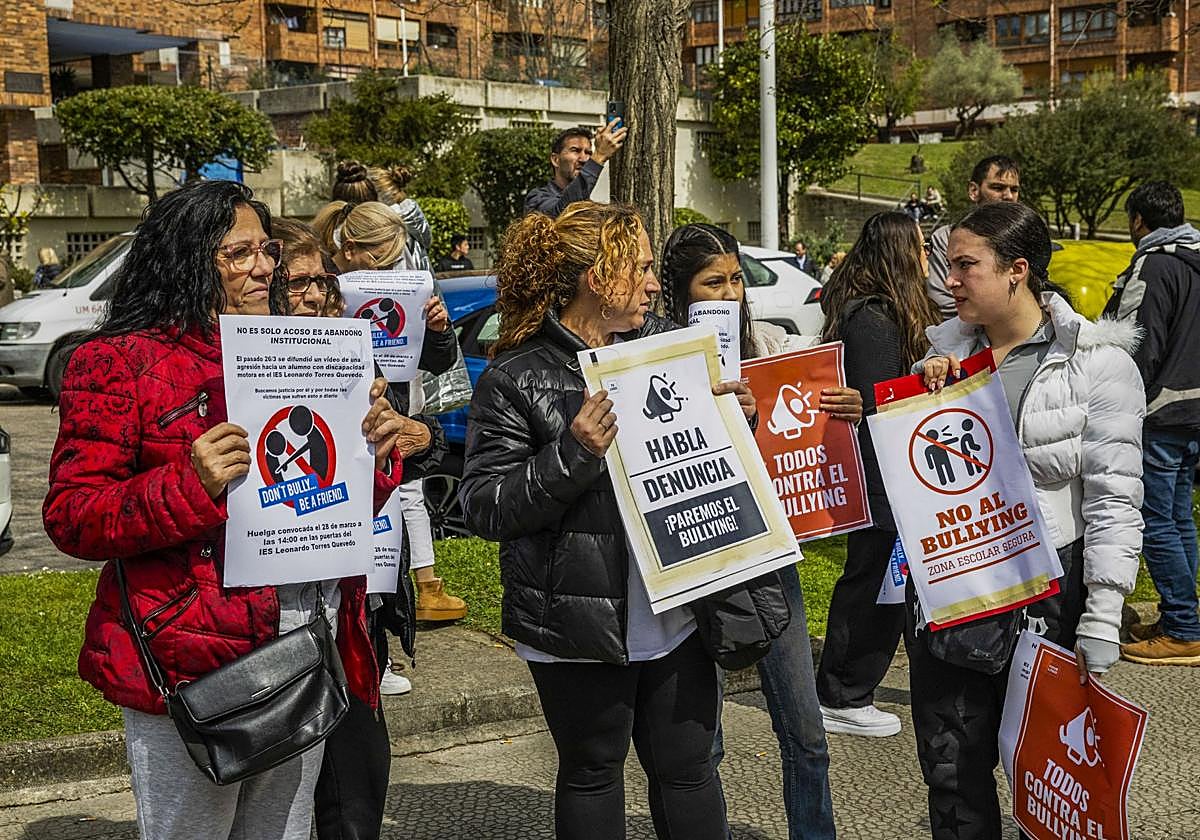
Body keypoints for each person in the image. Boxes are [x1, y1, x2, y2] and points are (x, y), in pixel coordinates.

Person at [42, 180, 410, 840]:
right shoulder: (116, 362)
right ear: (187, 255)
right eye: (238, 253)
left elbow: (323, 501)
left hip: (303, 634)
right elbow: (73, 514)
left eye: (265, 249)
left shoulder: (292, 347)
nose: (264, 266)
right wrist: (188, 483)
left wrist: (372, 455)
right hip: (192, 657)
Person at [461, 202, 765, 840]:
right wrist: (573, 454)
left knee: (689, 770)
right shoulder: (516, 376)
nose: (657, 284)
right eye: (644, 269)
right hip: (576, 622)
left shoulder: (667, 353)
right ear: (600, 278)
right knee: (592, 771)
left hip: (677, 611)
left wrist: (735, 421)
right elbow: (485, 505)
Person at [914, 200, 1144, 840]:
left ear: (1017, 271)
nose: (949, 280)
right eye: (947, 265)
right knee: (952, 770)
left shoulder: (1094, 364)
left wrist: (1103, 612)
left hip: (1049, 596)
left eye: (965, 266)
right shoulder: (942, 358)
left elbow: (1115, 495)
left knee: (1046, 780)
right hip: (954, 591)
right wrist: (924, 387)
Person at [661, 222, 863, 840]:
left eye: (735, 282)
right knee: (703, 743)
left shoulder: (773, 344)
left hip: (770, 558)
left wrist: (851, 409)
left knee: (805, 730)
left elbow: (808, 420)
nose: (728, 295)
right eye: (711, 283)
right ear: (680, 292)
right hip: (690, 557)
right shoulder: (655, 357)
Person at [271, 217, 447, 840]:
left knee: (358, 782)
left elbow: (385, 473)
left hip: (349, 612)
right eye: (296, 285)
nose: (315, 297)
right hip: (264, 626)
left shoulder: (349, 354)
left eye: (323, 282)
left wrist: (401, 438)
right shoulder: (234, 373)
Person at [312, 200, 469, 623]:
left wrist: (436, 331)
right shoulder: (318, 286)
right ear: (348, 250)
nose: (383, 272)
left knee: (390, 520)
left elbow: (435, 363)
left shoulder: (402, 287)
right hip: (338, 419)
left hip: (391, 417)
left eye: (391, 261)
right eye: (377, 260)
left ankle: (379, 636)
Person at [817, 212, 942, 738]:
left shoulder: (878, 310)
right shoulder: (874, 316)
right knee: (872, 582)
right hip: (881, 476)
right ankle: (842, 692)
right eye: (917, 247)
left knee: (881, 581)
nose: (924, 259)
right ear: (897, 252)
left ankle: (848, 687)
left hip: (888, 473)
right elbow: (877, 398)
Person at [1101, 181, 1200, 666]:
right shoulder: (1196, 258)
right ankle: (1183, 618)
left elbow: (1139, 341)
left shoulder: (1153, 263)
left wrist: (1116, 400)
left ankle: (1183, 627)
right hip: (1196, 411)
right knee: (1180, 518)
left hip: (1161, 411)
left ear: (1138, 220)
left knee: (1156, 522)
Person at [925, 155, 1021, 319]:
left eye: (1014, 189)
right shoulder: (947, 239)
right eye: (998, 188)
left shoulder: (1023, 238)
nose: (1009, 196)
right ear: (974, 191)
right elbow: (943, 304)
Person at [524, 122, 627, 219]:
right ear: (556, 160)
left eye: (588, 153)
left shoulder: (590, 205)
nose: (584, 159)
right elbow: (562, 213)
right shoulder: (537, 199)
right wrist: (599, 156)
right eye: (575, 151)